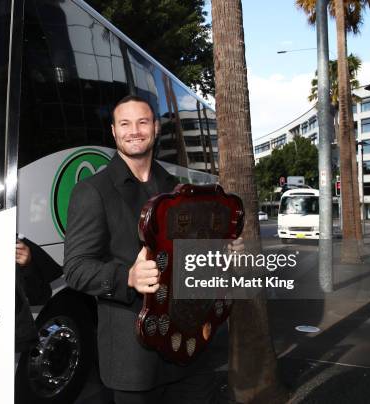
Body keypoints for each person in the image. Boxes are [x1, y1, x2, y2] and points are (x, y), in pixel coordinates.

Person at [63, 95, 242, 404]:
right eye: (125, 123)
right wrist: (128, 277)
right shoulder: (92, 191)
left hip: (189, 348)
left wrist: (222, 255)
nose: (135, 130)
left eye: (143, 122)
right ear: (114, 132)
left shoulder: (178, 190)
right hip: (133, 359)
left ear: (156, 128)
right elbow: (76, 269)